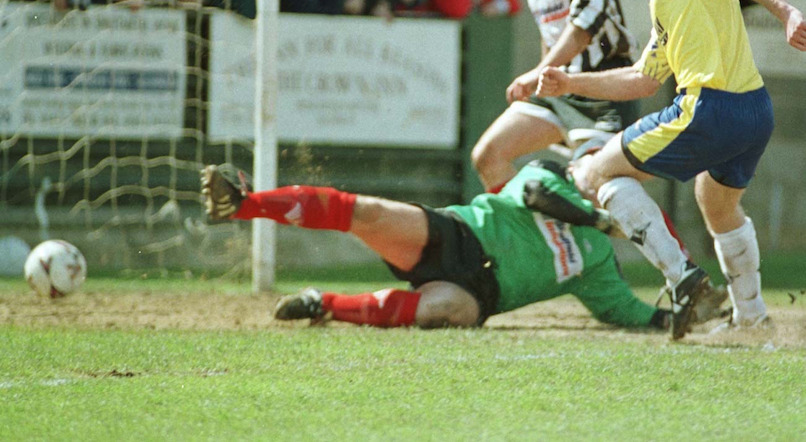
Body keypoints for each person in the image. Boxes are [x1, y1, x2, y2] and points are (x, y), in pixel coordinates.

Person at [536, 0, 806, 335]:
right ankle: (752, 318)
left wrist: (786, 11)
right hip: (753, 112)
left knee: (597, 173)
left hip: (707, 107)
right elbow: (642, 79)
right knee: (716, 203)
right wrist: (570, 81)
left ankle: (684, 279)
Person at [199, 156, 712, 332]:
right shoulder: (552, 177)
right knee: (367, 213)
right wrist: (599, 221)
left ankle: (325, 304)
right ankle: (244, 202)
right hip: (459, 235)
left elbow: (621, 310)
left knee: (447, 310)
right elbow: (533, 195)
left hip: (482, 293)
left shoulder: (601, 265)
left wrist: (677, 319)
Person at [471, 0, 638, 194]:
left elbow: (583, 30)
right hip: (560, 83)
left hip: (605, 86)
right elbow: (550, 30)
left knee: (602, 192)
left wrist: (537, 73)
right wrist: (545, 75)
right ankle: (534, 239)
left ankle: (671, 247)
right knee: (487, 157)